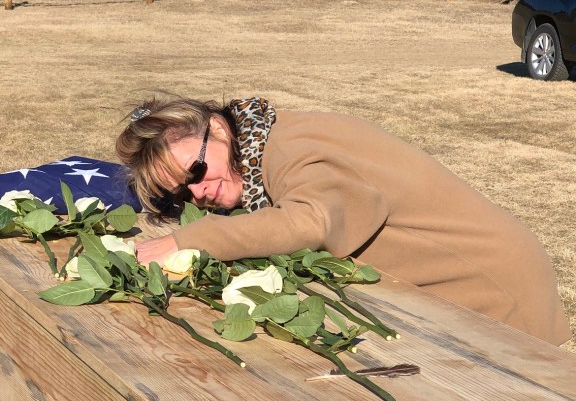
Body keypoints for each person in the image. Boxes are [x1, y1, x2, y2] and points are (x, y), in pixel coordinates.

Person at [115, 95, 570, 346]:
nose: (197, 192)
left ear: (217, 128)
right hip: (453, 294)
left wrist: (192, 239)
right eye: (182, 191)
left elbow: (310, 222)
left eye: (195, 170)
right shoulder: (262, 147)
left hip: (494, 288)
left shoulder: (289, 146)